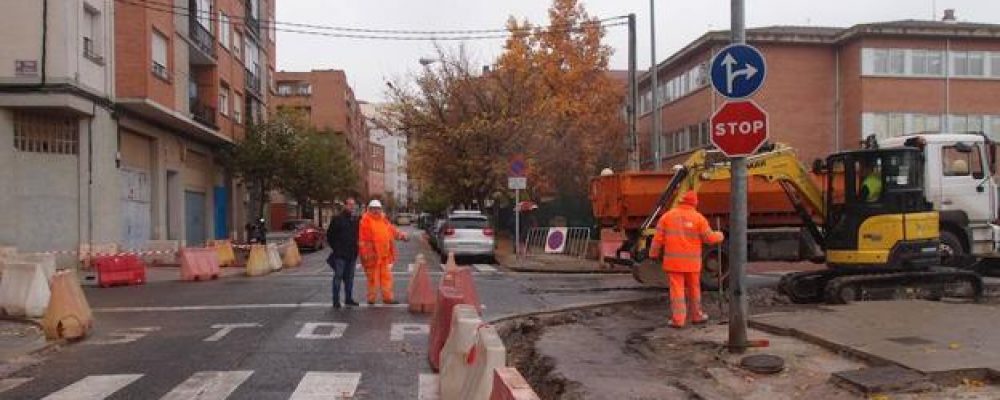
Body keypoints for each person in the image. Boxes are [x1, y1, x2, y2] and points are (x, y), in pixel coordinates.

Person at [649, 191, 725, 328]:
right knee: (694, 289)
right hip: (692, 263)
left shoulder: (667, 217)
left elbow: (657, 240)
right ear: (695, 203)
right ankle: (697, 315)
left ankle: (678, 319)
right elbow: (710, 238)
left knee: (677, 291)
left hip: (674, 264)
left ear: (680, 200)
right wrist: (720, 235)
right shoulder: (698, 218)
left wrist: (653, 255)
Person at [358, 199, 408, 304]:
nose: (376, 211)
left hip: (384, 256)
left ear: (380, 209)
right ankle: (371, 299)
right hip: (373, 257)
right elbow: (363, 241)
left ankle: (388, 298)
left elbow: (392, 230)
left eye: (378, 209)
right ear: (369, 209)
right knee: (373, 279)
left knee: (386, 278)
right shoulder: (365, 221)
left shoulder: (383, 220)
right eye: (374, 209)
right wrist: (366, 255)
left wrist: (402, 236)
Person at [326, 198, 360, 308]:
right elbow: (330, 236)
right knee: (338, 277)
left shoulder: (355, 220)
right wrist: (336, 249)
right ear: (345, 205)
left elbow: (357, 236)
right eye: (349, 204)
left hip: (352, 254)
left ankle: (348, 299)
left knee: (350, 278)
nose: (352, 207)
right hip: (340, 255)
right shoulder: (337, 219)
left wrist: (356, 249)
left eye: (353, 205)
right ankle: (336, 301)